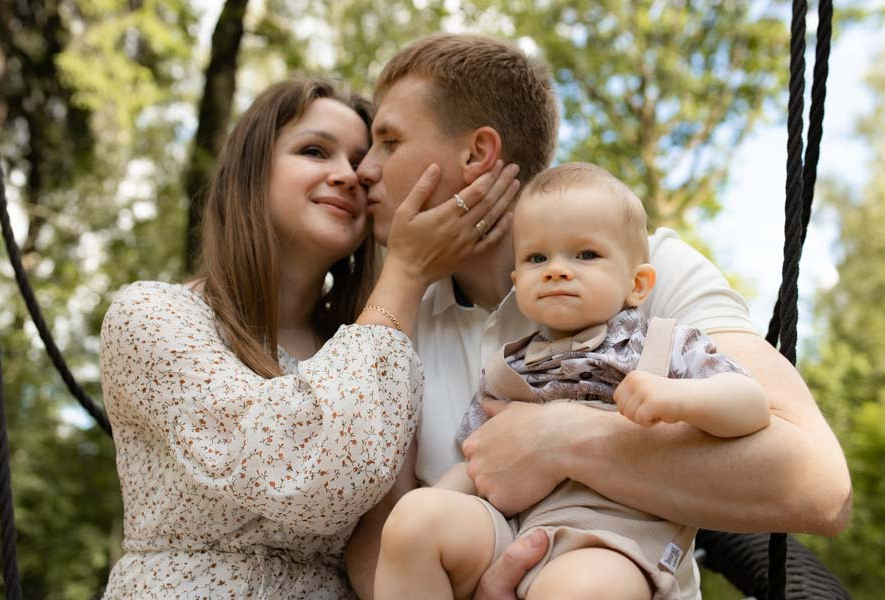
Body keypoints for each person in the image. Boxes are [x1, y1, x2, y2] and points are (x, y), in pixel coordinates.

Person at [346, 33, 852, 600]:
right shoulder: (397, 313)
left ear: (477, 154)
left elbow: (819, 485)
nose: (362, 169)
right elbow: (374, 528)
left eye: (388, 140)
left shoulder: (647, 268)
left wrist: (563, 438)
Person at [98, 78, 519, 598]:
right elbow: (308, 473)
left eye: (361, 160)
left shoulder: (377, 345)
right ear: (249, 173)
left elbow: (390, 527)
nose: (348, 176)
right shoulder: (155, 317)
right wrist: (406, 272)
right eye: (315, 151)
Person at [374, 162, 771, 600]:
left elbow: (750, 402)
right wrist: (425, 510)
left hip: (615, 540)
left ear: (638, 283)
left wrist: (677, 398)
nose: (556, 270)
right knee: (414, 521)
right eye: (537, 258)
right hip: (514, 531)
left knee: (574, 589)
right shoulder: (509, 367)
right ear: (518, 281)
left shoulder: (662, 345)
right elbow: (476, 462)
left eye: (585, 255)